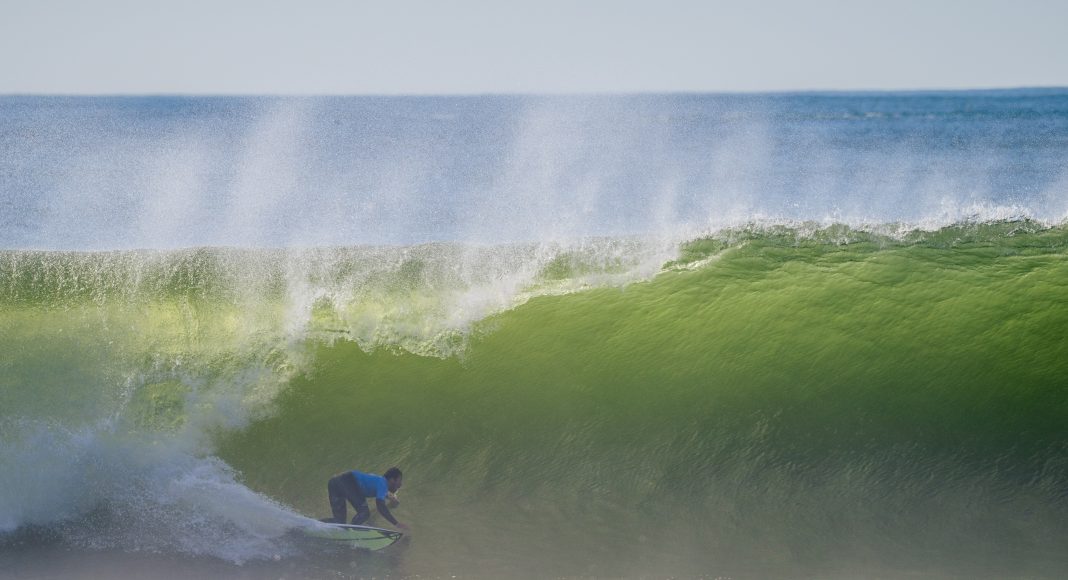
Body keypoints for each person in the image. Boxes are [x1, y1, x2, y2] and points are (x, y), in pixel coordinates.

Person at [323, 467, 408, 530]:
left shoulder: (379, 481)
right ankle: (351, 532)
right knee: (364, 513)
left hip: (334, 482)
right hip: (347, 481)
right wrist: (396, 524)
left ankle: (314, 525)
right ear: (392, 480)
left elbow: (376, 488)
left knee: (339, 522)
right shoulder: (383, 483)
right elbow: (380, 505)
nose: (400, 485)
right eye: (399, 481)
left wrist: (390, 498)